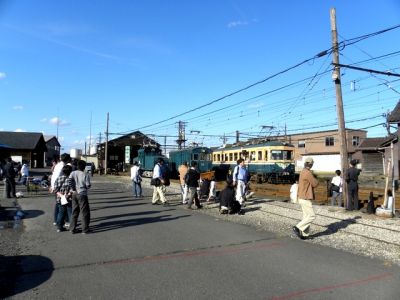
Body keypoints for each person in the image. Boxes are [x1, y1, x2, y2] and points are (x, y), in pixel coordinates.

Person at [293, 157, 319, 240]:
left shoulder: (302, 171)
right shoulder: (308, 173)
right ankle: (298, 227)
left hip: (301, 196)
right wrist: (316, 178)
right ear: (311, 164)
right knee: (311, 216)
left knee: (306, 216)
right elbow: (315, 184)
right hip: (305, 197)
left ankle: (304, 235)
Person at [69, 160, 91, 234]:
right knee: (84, 212)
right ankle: (85, 229)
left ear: (77, 166)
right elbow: (88, 185)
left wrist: (73, 189)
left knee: (74, 211)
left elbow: (69, 182)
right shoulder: (85, 174)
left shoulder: (72, 173)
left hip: (74, 194)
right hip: (82, 194)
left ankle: (72, 228)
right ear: (84, 167)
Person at [50, 154, 71, 226]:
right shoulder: (62, 166)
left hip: (55, 187)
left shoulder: (58, 165)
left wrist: (52, 186)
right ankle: (63, 222)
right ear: (67, 159)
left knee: (58, 204)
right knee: (63, 205)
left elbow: (53, 176)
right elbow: (57, 177)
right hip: (59, 189)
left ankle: (56, 220)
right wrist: (54, 187)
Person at [53, 165, 73, 232]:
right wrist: (67, 195)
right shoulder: (71, 179)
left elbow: (55, 190)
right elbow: (72, 189)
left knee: (61, 213)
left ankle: (59, 228)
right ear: (70, 171)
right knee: (70, 213)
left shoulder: (58, 178)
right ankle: (72, 228)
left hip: (60, 198)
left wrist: (61, 195)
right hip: (69, 198)